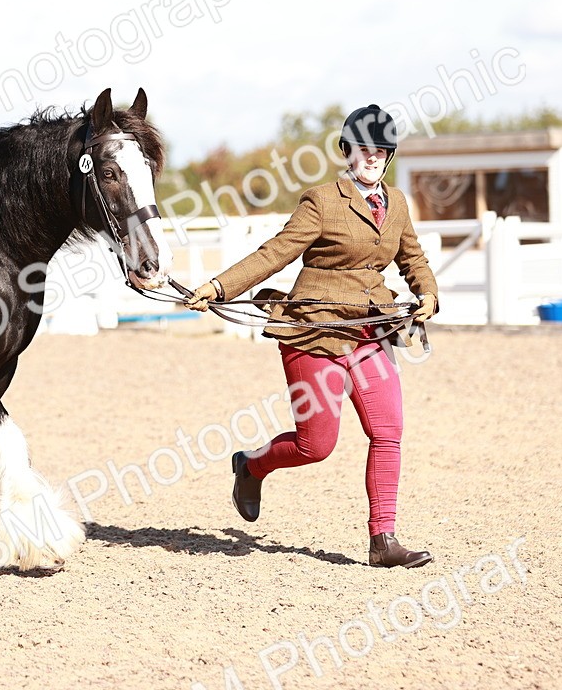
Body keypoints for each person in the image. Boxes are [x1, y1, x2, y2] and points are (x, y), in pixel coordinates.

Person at [184, 104, 438, 569]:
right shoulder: (322, 201)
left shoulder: (397, 203)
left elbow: (413, 257)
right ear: (347, 152)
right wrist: (219, 287)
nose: (372, 158)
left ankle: (383, 541)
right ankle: (252, 465)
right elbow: (275, 253)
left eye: (381, 151)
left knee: (388, 430)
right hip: (313, 334)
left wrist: (427, 293)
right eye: (363, 150)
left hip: (367, 333)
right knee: (315, 446)